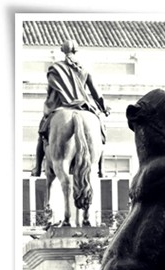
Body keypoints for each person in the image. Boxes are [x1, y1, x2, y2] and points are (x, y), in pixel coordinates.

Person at [31, 39, 109, 178]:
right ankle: (102, 169)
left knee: (41, 133)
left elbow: (51, 92)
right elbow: (96, 92)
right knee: (101, 131)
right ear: (76, 51)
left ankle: (37, 167)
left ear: (63, 51)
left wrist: (50, 105)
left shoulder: (55, 68)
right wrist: (104, 107)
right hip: (83, 106)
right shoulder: (85, 68)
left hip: (61, 106)